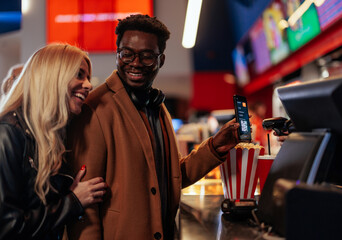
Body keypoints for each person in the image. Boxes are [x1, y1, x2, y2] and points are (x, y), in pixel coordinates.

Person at [66, 14, 240, 240]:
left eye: (147, 56)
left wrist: (215, 148)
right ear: (117, 54)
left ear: (161, 60)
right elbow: (85, 206)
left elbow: (172, 176)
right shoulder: (95, 108)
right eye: (127, 54)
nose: (135, 63)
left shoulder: (156, 106)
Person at [0, 44, 108, 240]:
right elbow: (8, 228)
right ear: (52, 77)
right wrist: (73, 202)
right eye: (79, 75)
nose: (89, 85)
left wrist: (67, 190)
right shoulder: (7, 134)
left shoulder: (48, 135)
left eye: (88, 78)